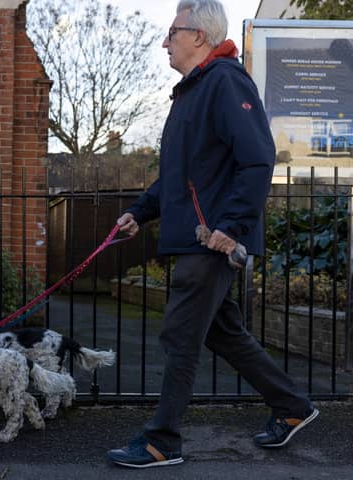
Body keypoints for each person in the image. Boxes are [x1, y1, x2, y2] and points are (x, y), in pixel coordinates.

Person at [107, 0, 318, 469]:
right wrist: (140, 212)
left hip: (212, 239)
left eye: (172, 32)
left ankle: (163, 440)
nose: (165, 42)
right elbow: (182, 175)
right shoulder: (192, 92)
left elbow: (258, 158)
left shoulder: (225, 81)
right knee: (224, 334)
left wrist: (231, 228)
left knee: (180, 334)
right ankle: (293, 408)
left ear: (198, 36)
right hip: (200, 235)